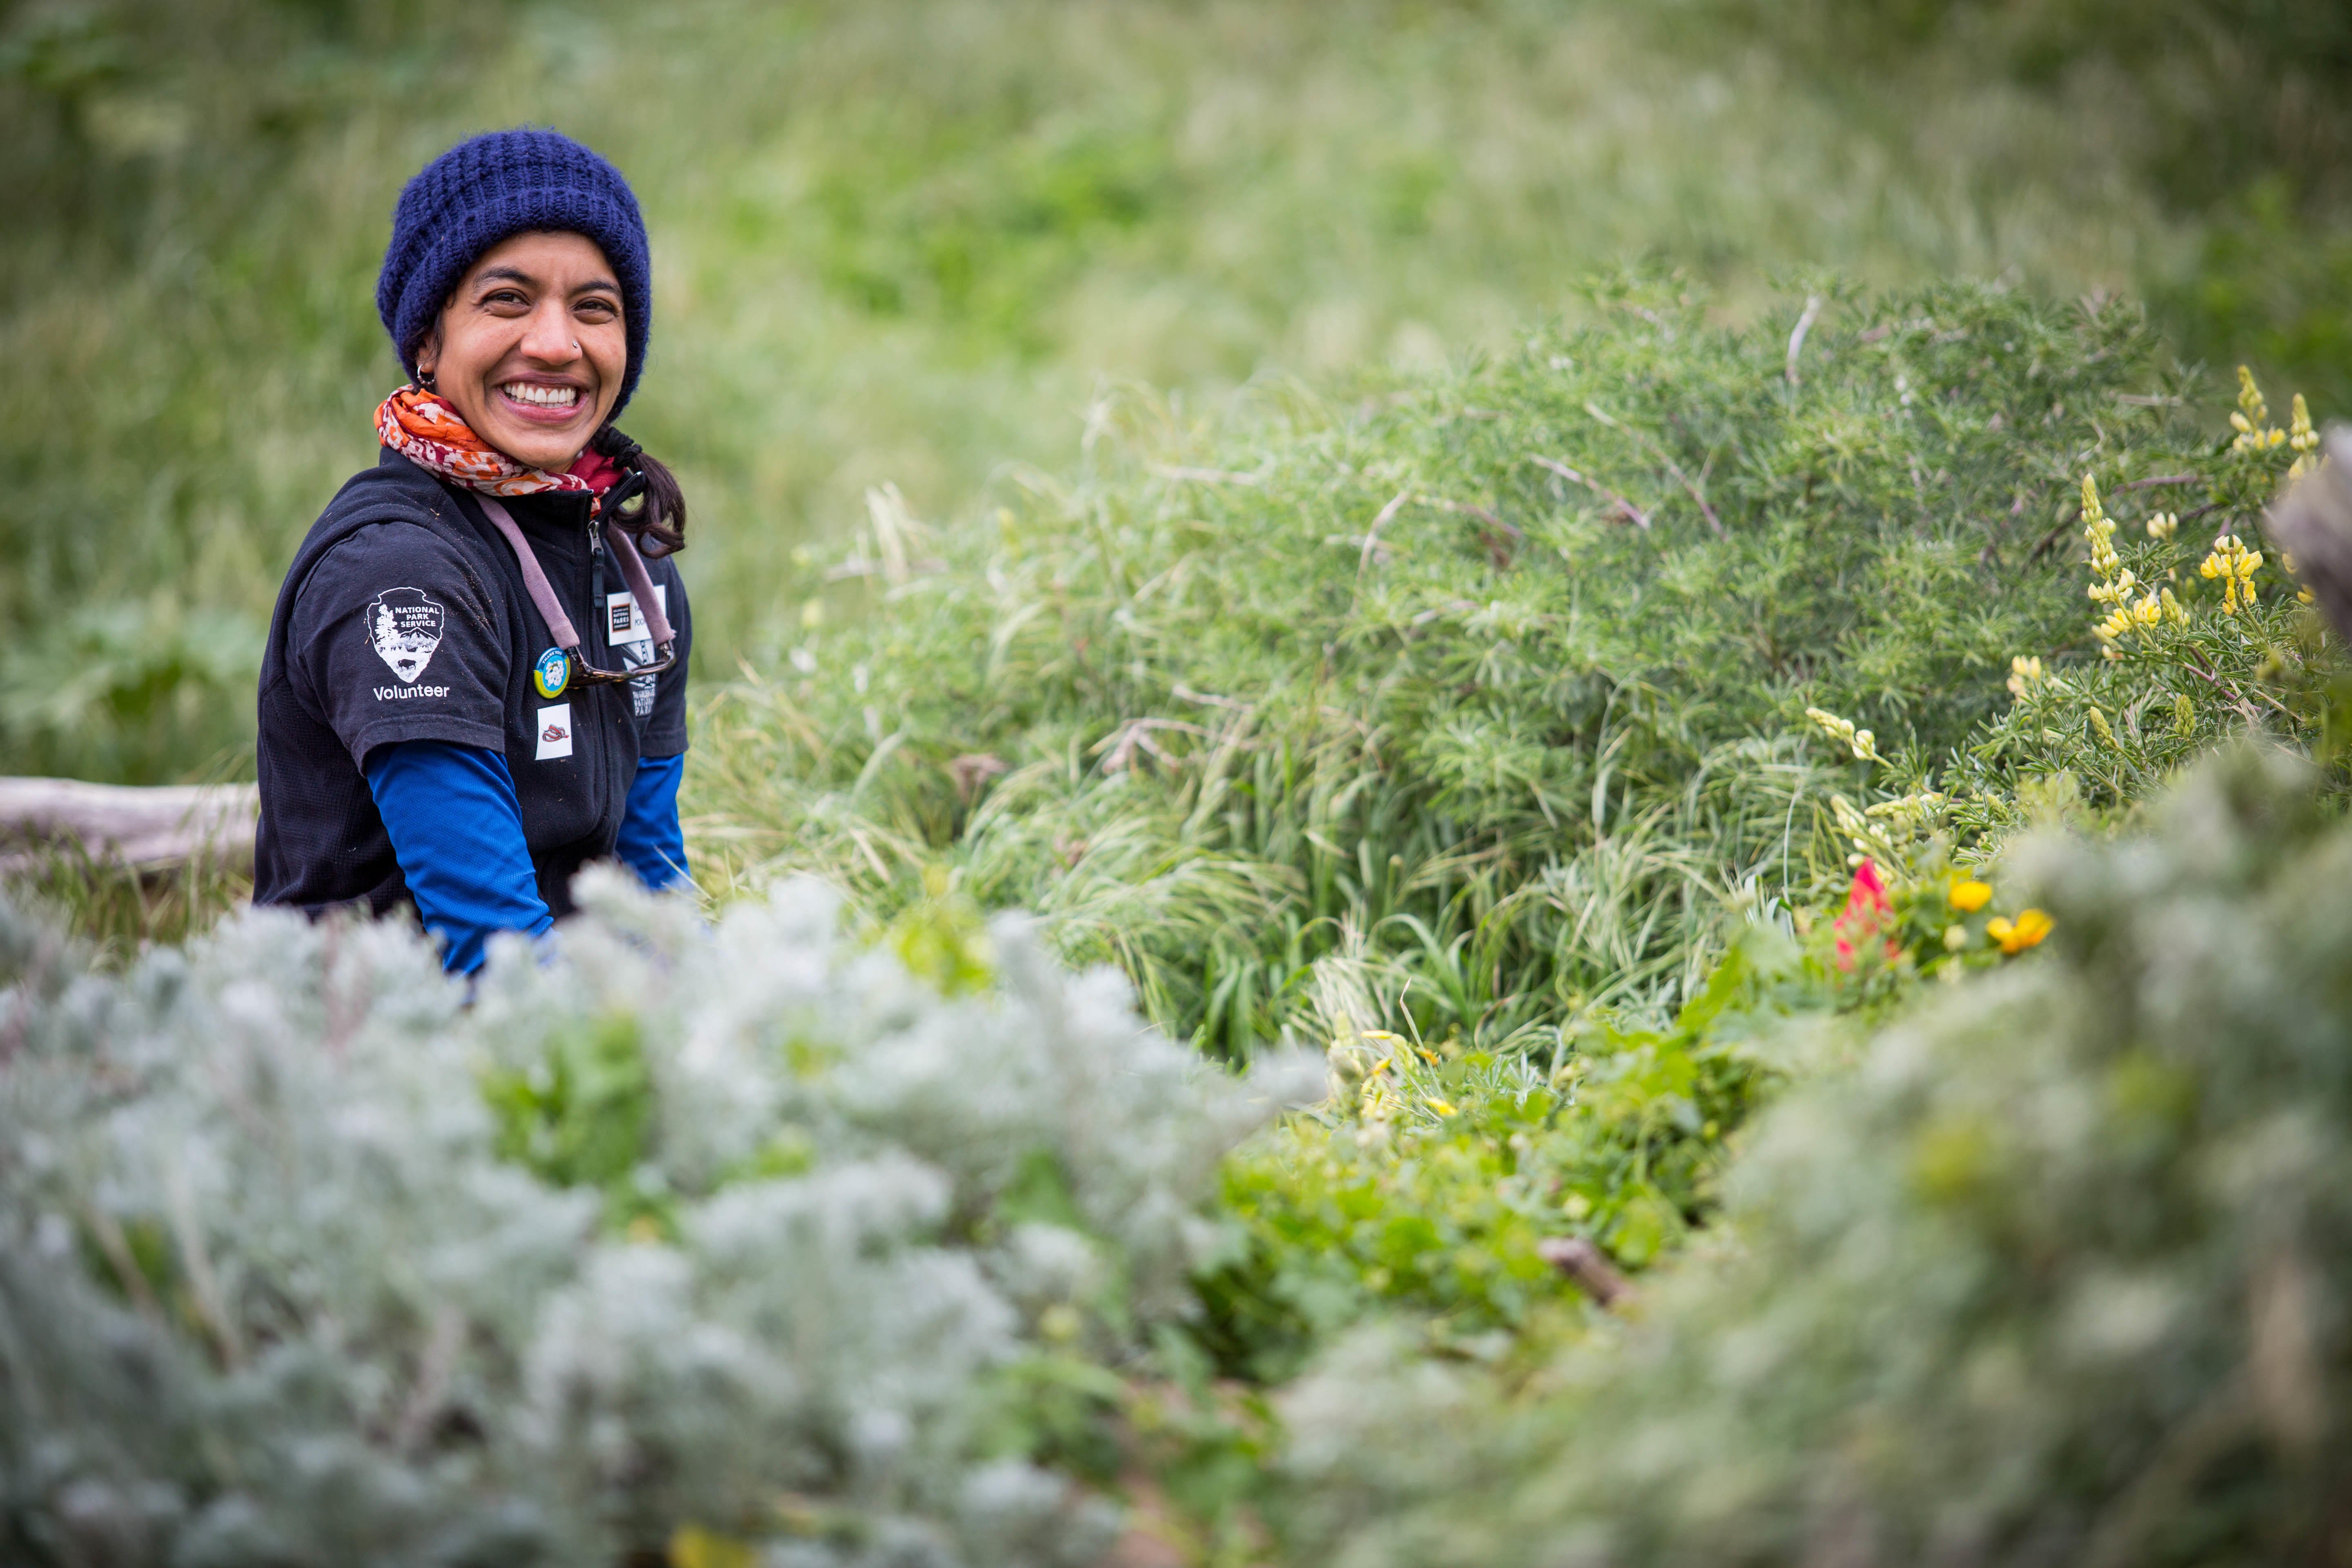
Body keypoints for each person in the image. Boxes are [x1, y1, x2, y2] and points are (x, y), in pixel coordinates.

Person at [252, 128, 693, 973]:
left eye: (594, 307)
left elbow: (654, 887)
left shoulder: (634, 566)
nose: (558, 344)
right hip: (373, 1054)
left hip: (568, 1032)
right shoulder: (400, 576)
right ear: (428, 339)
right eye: (507, 300)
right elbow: (490, 948)